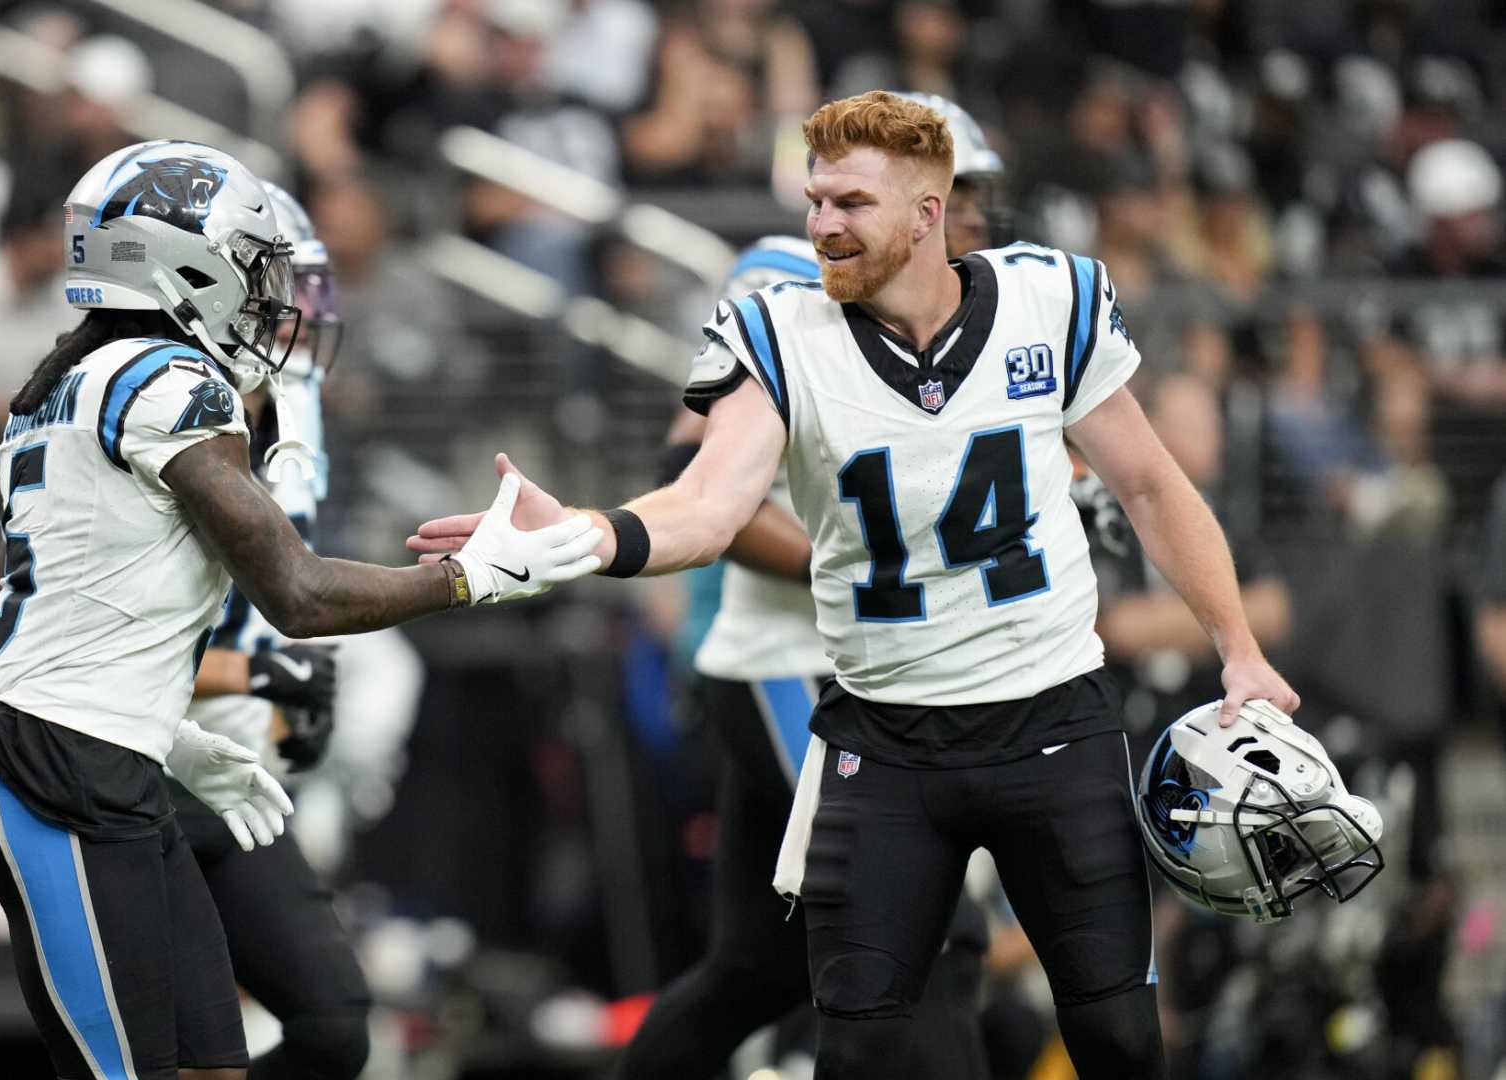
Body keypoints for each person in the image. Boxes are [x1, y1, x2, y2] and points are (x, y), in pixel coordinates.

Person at [413, 92, 1297, 1079]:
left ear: (928, 211)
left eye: (852, 202)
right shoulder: (778, 325)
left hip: (1051, 721)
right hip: (880, 730)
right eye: (815, 199)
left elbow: (1149, 481)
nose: (824, 222)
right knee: (861, 1041)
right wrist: (584, 532)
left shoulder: (1049, 299)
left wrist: (1239, 649)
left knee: (1119, 1038)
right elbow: (706, 506)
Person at [0, 139, 603, 1080]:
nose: (268, 297)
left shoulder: (64, 387)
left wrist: (157, 729)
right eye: (253, 269)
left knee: (219, 1065)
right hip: (58, 774)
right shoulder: (169, 385)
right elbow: (295, 594)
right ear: (181, 264)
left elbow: (71, 613)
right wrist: (474, 576)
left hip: (96, 756)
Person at [616, 93, 1001, 1080]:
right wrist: (876, 563)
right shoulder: (794, 279)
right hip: (793, 665)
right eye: (965, 193)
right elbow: (696, 485)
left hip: (857, 670)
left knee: (755, 967)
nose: (978, 219)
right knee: (932, 933)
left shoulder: (964, 308)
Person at [177, 181, 370, 1079]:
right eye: (278, 290)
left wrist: (271, 686)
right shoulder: (161, 414)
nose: (301, 313)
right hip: (128, 758)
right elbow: (78, 648)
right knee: (190, 1053)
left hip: (232, 757)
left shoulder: (289, 404)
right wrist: (252, 678)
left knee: (330, 1028)